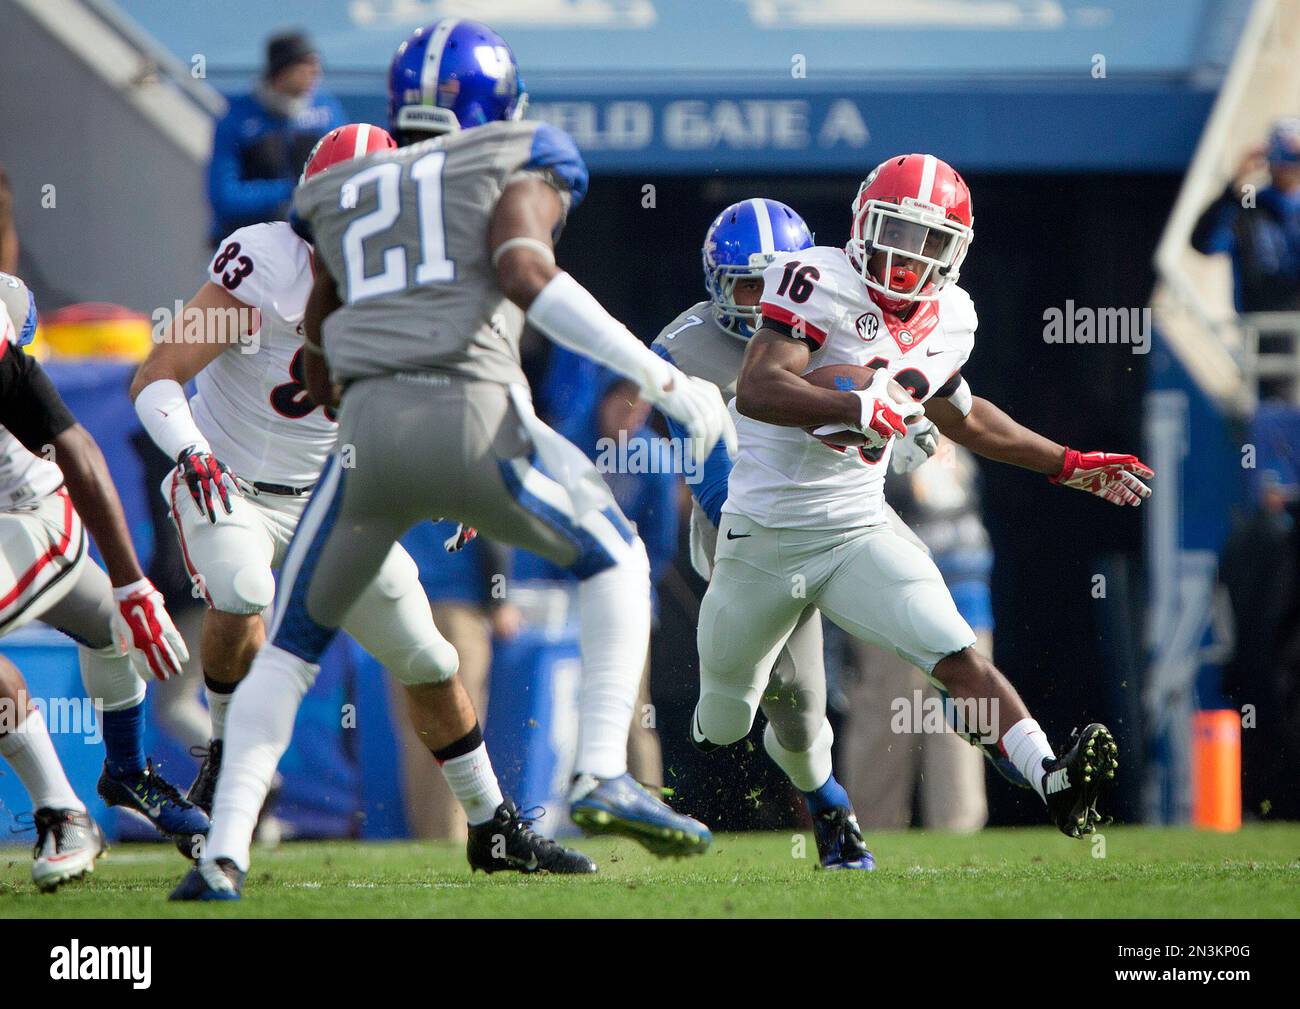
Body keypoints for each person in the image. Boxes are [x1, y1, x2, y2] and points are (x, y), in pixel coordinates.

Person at [174, 18, 734, 900]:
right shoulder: (518, 155)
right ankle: (600, 770)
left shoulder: (346, 188)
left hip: (364, 440)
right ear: (496, 105)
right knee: (616, 556)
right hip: (472, 416)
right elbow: (527, 272)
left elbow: (319, 342)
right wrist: (663, 379)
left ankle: (223, 854)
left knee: (288, 648)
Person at [134, 124, 590, 884]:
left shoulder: (408, 284)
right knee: (244, 588)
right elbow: (155, 374)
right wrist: (194, 452)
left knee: (430, 656)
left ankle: (493, 826)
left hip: (329, 501)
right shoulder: (267, 265)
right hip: (230, 480)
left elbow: (454, 387)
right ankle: (223, 760)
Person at [692, 154, 1151, 858]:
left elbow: (968, 417)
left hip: (855, 527)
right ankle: (814, 779)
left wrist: (1069, 464)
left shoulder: (952, 318)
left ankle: (1050, 778)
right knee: (724, 718)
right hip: (760, 535)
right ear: (860, 224)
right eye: (895, 232)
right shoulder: (817, 279)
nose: (906, 258)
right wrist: (854, 402)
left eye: (927, 241)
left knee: (955, 649)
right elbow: (757, 387)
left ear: (954, 252)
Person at [650, 198, 904, 869]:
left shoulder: (835, 317)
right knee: (783, 701)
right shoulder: (682, 350)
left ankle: (829, 806)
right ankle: (826, 804)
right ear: (716, 281)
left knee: (810, 693)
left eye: (773, 283)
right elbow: (709, 481)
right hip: (737, 531)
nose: (762, 300)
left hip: (827, 516)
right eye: (746, 285)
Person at [0, 271, 204, 887]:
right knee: (112, 631)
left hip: (27, 512)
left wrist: (133, 583)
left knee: (121, 615)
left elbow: (76, 446)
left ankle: (63, 811)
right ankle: (124, 769)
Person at [207, 30, 344, 245]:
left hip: (306, 242)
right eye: (305, 64)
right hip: (245, 245)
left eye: (315, 63)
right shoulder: (237, 117)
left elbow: (345, 174)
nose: (314, 72)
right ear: (281, 73)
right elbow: (225, 198)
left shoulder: (325, 108)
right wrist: (292, 190)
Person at [1192, 118, 1300, 313]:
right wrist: (1235, 187)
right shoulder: (1249, 206)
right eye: (1283, 155)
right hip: (1262, 326)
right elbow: (1206, 244)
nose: (1289, 165)